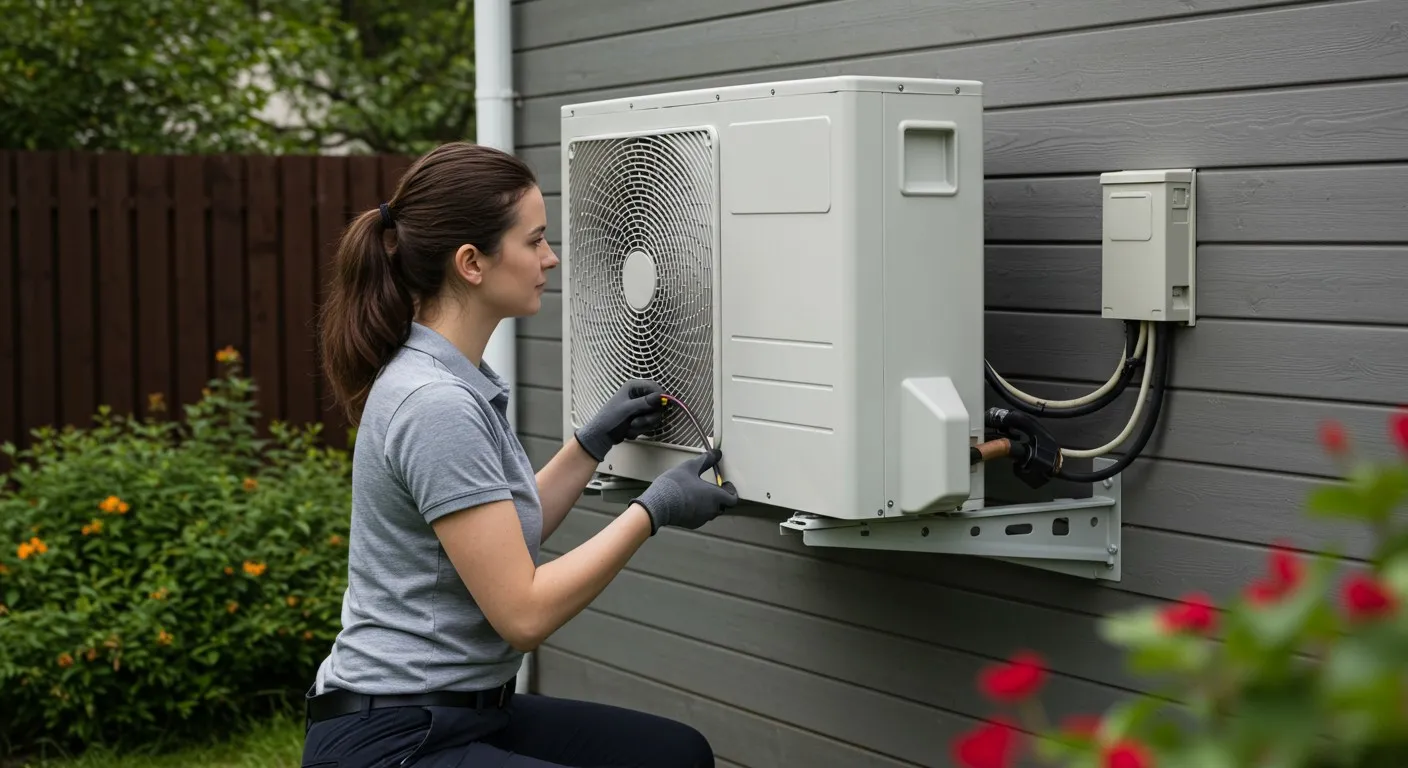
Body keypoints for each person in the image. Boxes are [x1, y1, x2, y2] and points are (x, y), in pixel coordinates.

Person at [303, 141, 739, 768]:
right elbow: (523, 614)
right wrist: (654, 509)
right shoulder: (436, 403)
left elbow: (505, 532)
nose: (551, 258)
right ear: (471, 263)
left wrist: (591, 444)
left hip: (462, 708)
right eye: (534, 241)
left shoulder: (452, 378)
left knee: (674, 753)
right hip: (394, 736)